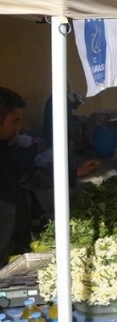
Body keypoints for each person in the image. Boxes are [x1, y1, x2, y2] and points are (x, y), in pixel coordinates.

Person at [1, 87, 98, 267]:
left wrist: (74, 173)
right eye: (14, 121)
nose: (17, 127)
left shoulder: (5, 150)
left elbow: (29, 175)